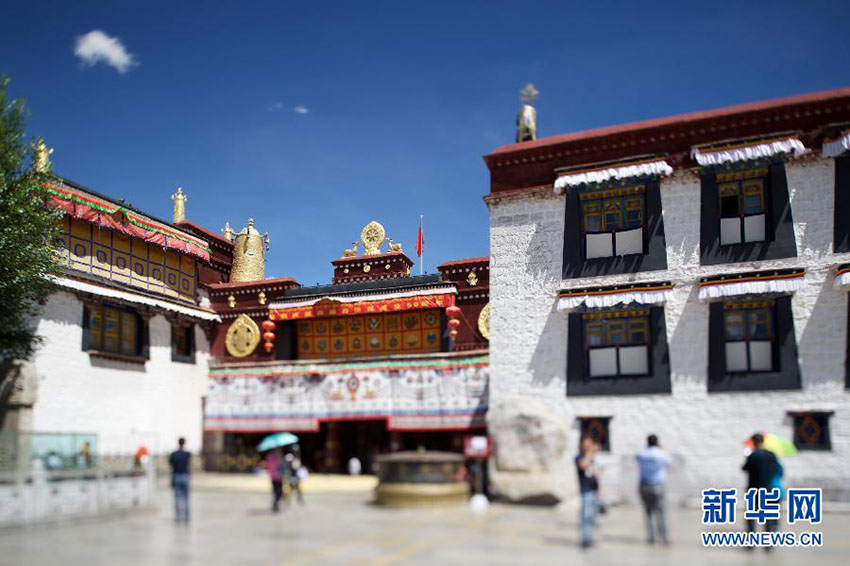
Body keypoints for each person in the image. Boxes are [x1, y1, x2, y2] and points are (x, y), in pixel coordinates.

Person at [742, 433, 781, 543]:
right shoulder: (771, 455)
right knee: (768, 516)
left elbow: (744, 468)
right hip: (767, 488)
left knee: (751, 516)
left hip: (753, 489)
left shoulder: (752, 455)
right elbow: (776, 469)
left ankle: (750, 541)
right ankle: (768, 542)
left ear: (754, 442)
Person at [635, 434, 673, 545]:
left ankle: (651, 537)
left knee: (648, 512)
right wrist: (661, 449)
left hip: (645, 485)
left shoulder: (642, 454)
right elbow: (670, 462)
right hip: (658, 485)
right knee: (661, 512)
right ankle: (664, 537)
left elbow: (637, 458)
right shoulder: (662, 454)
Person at [576, 437, 601, 548]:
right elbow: (583, 465)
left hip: (594, 490)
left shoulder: (592, 459)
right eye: (586, 445)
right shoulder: (579, 457)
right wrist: (589, 454)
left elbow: (595, 474)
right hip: (586, 491)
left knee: (592, 517)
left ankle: (589, 538)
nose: (588, 447)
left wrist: (599, 489)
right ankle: (584, 540)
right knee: (585, 516)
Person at [168, 437, 191, 523]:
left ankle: (178, 516)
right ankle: (186, 516)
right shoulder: (187, 454)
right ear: (184, 443)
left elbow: (171, 466)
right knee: (186, 498)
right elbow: (189, 465)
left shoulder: (173, 454)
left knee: (177, 498)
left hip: (176, 476)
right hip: (185, 476)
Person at [265, 448, 284, 512]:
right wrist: (278, 459)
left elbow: (283, 465)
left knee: (280, 492)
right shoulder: (271, 456)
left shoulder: (280, 455)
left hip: (280, 477)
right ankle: (275, 504)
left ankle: (276, 503)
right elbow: (271, 466)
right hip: (274, 477)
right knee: (276, 491)